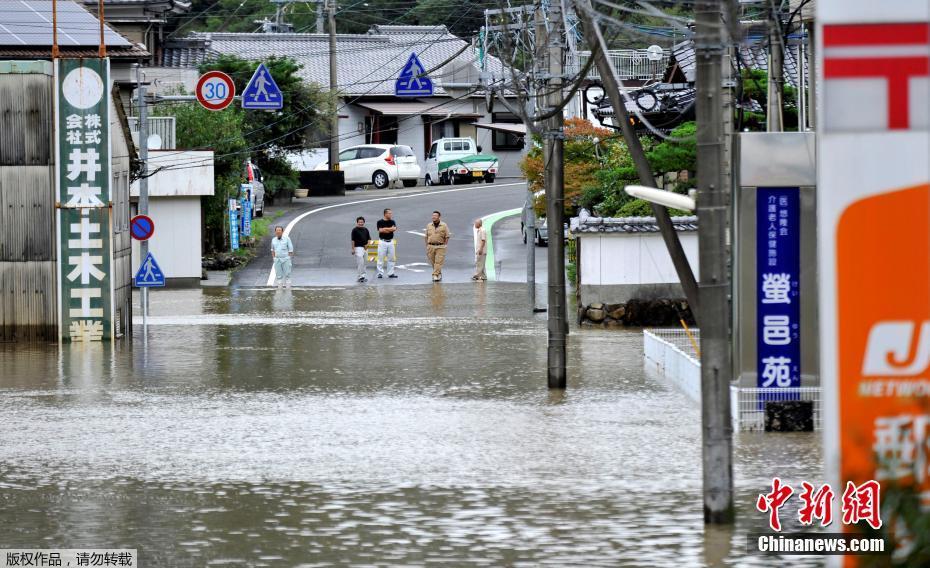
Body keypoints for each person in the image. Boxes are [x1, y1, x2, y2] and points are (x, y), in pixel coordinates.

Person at [424, 210, 451, 282]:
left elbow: (447, 236)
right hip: (430, 246)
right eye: (433, 216)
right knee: (433, 262)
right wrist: (427, 245)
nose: (433, 217)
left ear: (439, 217)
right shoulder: (429, 225)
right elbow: (426, 236)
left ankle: (435, 275)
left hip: (440, 246)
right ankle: (438, 273)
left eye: (435, 216)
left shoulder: (444, 225)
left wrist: (445, 245)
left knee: (438, 262)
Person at [376, 208, 398, 279]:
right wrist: (390, 229)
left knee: (391, 258)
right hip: (382, 242)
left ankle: (390, 273)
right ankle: (380, 273)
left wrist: (385, 229)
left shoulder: (392, 221)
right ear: (385, 214)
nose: (391, 214)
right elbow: (380, 230)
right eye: (389, 213)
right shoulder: (379, 222)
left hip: (391, 241)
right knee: (380, 258)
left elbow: (394, 229)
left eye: (391, 213)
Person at [351, 216, 372, 282]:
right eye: (359, 222)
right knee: (360, 262)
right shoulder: (354, 230)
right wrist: (353, 249)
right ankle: (359, 277)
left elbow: (369, 239)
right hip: (358, 247)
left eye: (362, 222)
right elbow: (352, 240)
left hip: (365, 248)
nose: (361, 223)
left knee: (365, 262)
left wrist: (367, 245)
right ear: (357, 222)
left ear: (364, 222)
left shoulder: (366, 229)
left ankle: (363, 276)